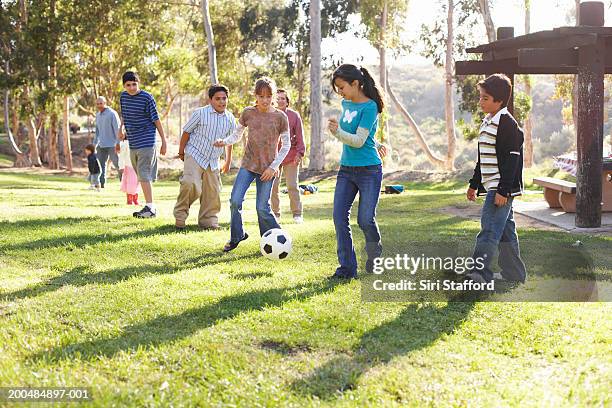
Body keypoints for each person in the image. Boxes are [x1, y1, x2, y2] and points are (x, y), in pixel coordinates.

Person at [213, 77, 290, 252]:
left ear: (273, 96)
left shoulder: (280, 117)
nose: (265, 100)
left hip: (268, 169)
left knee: (262, 207)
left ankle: (276, 239)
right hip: (248, 165)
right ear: (255, 96)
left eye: (268, 96)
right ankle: (236, 236)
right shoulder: (248, 112)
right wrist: (224, 142)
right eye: (261, 96)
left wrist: (273, 167)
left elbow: (286, 145)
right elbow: (237, 135)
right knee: (235, 200)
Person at [465, 73, 527, 284]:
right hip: (491, 185)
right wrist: (474, 184)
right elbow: (483, 158)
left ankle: (478, 274)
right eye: (480, 97)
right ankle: (514, 274)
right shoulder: (487, 122)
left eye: (485, 98)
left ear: (499, 101)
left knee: (489, 230)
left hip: (500, 188)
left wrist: (503, 190)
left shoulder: (507, 123)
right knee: (505, 232)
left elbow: (512, 160)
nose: (480, 101)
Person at [327, 64, 387, 279]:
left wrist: (337, 132)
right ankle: (347, 268)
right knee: (339, 217)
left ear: (356, 83)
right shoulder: (347, 104)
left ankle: (375, 255)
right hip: (346, 169)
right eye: (337, 89)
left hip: (369, 170)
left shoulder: (370, 107)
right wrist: (376, 141)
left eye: (342, 87)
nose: (340, 92)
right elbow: (361, 133)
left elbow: (359, 141)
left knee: (365, 220)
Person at [173, 84, 235, 230]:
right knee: (190, 183)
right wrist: (181, 152)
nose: (221, 102)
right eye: (218, 99)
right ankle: (180, 217)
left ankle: (208, 222)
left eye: (224, 99)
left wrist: (227, 161)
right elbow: (186, 133)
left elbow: (230, 141)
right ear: (210, 100)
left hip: (213, 160)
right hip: (195, 153)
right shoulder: (200, 113)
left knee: (213, 192)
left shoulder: (230, 118)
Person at [116, 71, 167, 218]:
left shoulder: (147, 97)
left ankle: (150, 208)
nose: (131, 88)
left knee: (144, 174)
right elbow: (125, 114)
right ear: (124, 85)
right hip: (132, 141)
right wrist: (121, 130)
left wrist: (163, 141)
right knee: (140, 175)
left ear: (138, 83)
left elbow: (156, 119)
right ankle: (150, 207)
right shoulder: (123, 96)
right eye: (128, 85)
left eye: (134, 84)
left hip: (147, 139)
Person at [270, 89, 306, 224]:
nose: (280, 101)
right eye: (277, 98)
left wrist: (300, 153)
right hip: (274, 157)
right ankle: (275, 213)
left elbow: (300, 136)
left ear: (287, 101)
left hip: (291, 156)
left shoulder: (294, 116)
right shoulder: (270, 115)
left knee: (292, 185)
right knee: (273, 186)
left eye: (283, 99)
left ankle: (297, 213)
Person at [93, 96, 121, 188]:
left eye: (101, 103)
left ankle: (125, 185)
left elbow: (118, 130)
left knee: (118, 165)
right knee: (100, 166)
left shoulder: (112, 114)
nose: (99, 105)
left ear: (105, 103)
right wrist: (94, 144)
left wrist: (118, 143)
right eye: (97, 104)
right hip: (101, 145)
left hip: (113, 145)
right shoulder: (97, 115)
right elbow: (97, 132)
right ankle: (101, 184)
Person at [118, 140, 139, 205]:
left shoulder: (138, 141)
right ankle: (129, 200)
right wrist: (121, 166)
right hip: (129, 166)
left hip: (138, 166)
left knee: (137, 183)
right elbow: (122, 155)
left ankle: (135, 199)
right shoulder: (125, 143)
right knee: (130, 183)